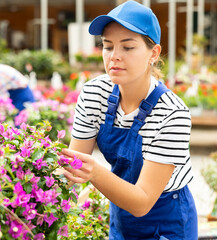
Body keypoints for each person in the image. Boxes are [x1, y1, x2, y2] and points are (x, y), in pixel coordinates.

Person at [60, 1, 198, 239]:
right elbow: (73, 169)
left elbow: (142, 202)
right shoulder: (94, 93)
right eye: (107, 46)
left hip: (167, 217)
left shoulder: (172, 113)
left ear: (153, 53)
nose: (114, 57)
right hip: (121, 212)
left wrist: (94, 173)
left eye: (128, 47)